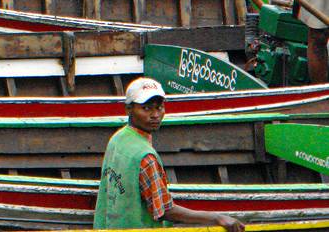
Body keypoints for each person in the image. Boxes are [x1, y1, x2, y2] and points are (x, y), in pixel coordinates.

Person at [93, 78, 245, 232]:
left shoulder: (118, 139)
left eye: (159, 107)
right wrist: (216, 217)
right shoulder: (146, 158)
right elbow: (165, 210)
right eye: (146, 108)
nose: (155, 115)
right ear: (129, 109)